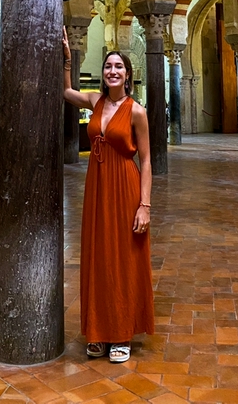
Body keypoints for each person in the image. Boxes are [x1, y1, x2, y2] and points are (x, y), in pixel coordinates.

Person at [62, 28, 154, 363]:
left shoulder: (137, 111)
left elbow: (145, 160)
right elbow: (66, 91)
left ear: (128, 75)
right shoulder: (94, 101)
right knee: (99, 256)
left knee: (124, 258)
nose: (112, 71)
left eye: (118, 67)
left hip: (125, 186)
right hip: (97, 186)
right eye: (107, 67)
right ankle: (99, 332)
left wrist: (144, 206)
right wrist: (69, 59)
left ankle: (122, 333)